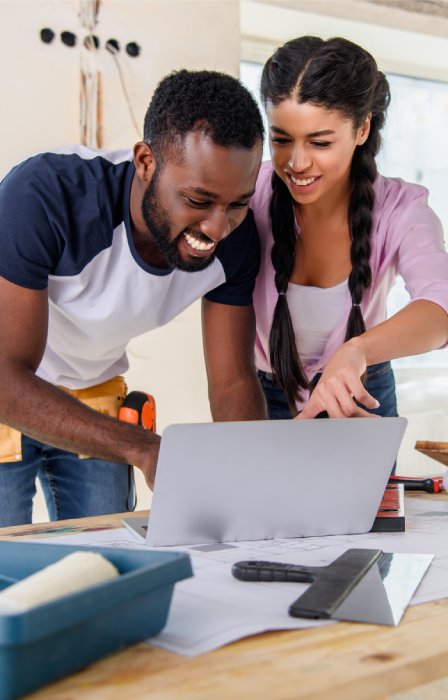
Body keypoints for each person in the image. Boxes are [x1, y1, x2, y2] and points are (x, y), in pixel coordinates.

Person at [0, 69, 268, 526]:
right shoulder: (44, 196)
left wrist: (254, 485)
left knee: (106, 564)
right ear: (145, 161)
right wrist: (145, 449)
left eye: (238, 203)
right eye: (199, 200)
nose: (218, 228)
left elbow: (232, 384)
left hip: (95, 391)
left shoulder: (236, 243)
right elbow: (5, 378)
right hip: (10, 389)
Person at [251, 36, 448, 420]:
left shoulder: (402, 209)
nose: (297, 162)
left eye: (320, 142)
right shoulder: (249, 195)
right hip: (264, 392)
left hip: (361, 388)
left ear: (362, 130)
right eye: (281, 140)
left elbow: (440, 308)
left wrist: (358, 350)